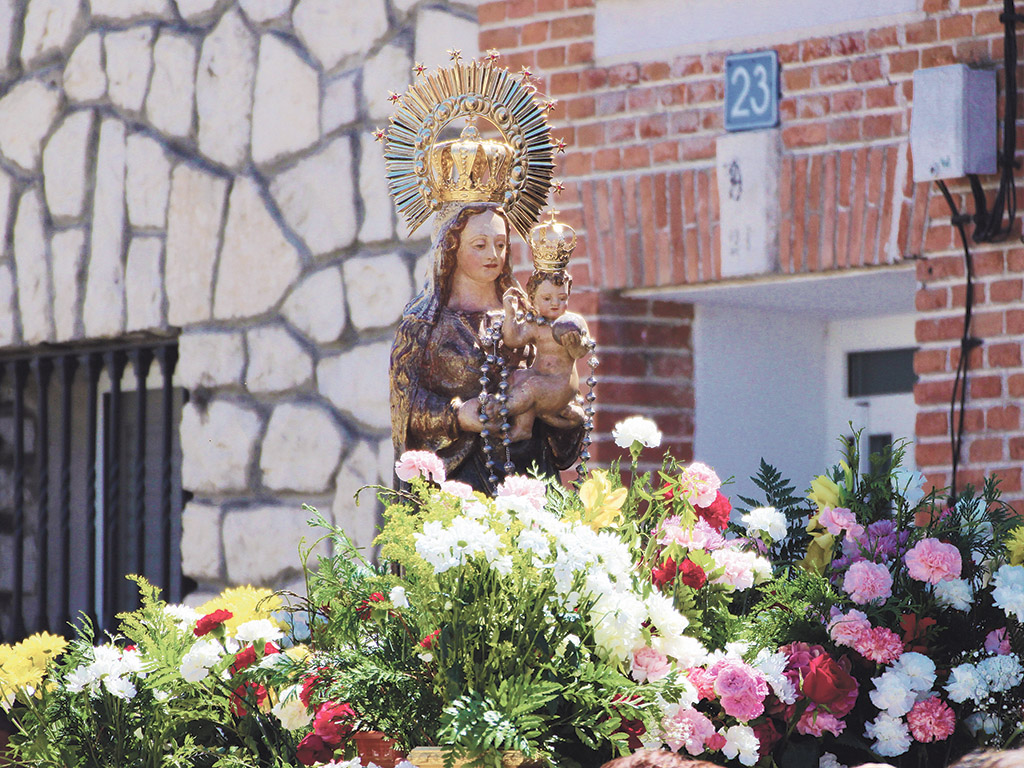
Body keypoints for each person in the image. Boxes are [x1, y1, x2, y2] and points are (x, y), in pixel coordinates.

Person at [389, 202, 583, 494]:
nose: (493, 255)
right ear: (451, 247)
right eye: (480, 245)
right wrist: (457, 416)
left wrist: (565, 416)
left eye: (501, 244)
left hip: (527, 476)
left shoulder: (530, 316)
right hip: (457, 484)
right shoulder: (423, 323)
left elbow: (557, 378)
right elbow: (405, 405)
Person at [488, 269, 590, 442]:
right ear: (533, 300)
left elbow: (580, 352)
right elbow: (513, 340)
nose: (555, 303)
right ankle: (523, 428)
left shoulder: (573, 324)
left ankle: (501, 408)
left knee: (533, 386)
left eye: (562, 298)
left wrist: (575, 343)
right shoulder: (536, 325)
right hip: (540, 379)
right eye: (547, 298)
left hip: (561, 385)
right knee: (520, 376)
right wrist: (510, 312)